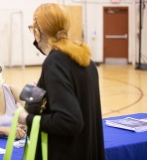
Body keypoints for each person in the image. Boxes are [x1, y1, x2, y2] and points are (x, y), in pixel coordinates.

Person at [18, 3, 105, 160]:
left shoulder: (55, 62)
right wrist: (39, 91)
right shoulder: (86, 60)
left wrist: (27, 119)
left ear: (37, 32)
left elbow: (70, 120)